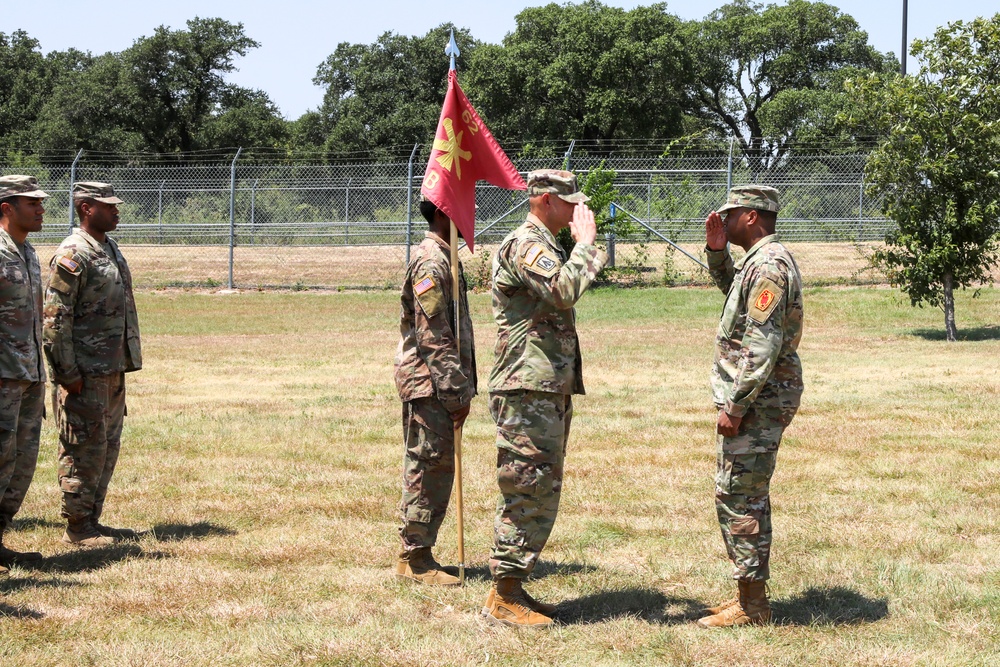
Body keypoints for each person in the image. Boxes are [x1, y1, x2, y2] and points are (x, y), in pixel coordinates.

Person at [480, 169, 607, 627]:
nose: (578, 209)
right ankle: (502, 595)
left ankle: (514, 587)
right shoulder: (526, 244)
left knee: (540, 487)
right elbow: (562, 291)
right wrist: (587, 245)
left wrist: (581, 249)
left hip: (543, 386)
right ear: (546, 200)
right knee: (525, 487)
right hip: (525, 387)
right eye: (570, 201)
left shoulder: (547, 245)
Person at [697, 185, 804, 628]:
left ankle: (753, 606)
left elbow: (762, 344)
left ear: (753, 217)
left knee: (742, 498)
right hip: (758, 399)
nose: (724, 220)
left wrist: (736, 405)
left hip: (757, 402)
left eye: (731, 215)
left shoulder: (770, 267)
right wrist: (717, 253)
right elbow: (735, 299)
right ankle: (748, 594)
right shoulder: (758, 263)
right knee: (738, 493)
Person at [43, 181, 142, 547]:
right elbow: (54, 318)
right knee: (81, 447)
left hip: (111, 368)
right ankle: (77, 526)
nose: (116, 211)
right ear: (86, 208)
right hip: (84, 373)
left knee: (105, 447)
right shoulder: (73, 253)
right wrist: (67, 373)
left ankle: (92, 520)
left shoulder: (108, 247)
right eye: (108, 206)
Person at [393, 198, 476, 586]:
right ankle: (416, 557)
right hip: (430, 384)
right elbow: (434, 336)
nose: (471, 216)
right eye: (463, 208)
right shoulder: (431, 262)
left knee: (437, 465)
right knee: (427, 466)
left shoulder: (446, 258)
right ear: (444, 212)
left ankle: (419, 551)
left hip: (438, 384)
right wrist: (456, 390)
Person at [0, 176, 49, 570]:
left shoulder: (28, 252)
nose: (40, 208)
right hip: (2, 375)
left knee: (21, 460)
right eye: (30, 203)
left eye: (40, 202)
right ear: (6, 208)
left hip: (29, 374)